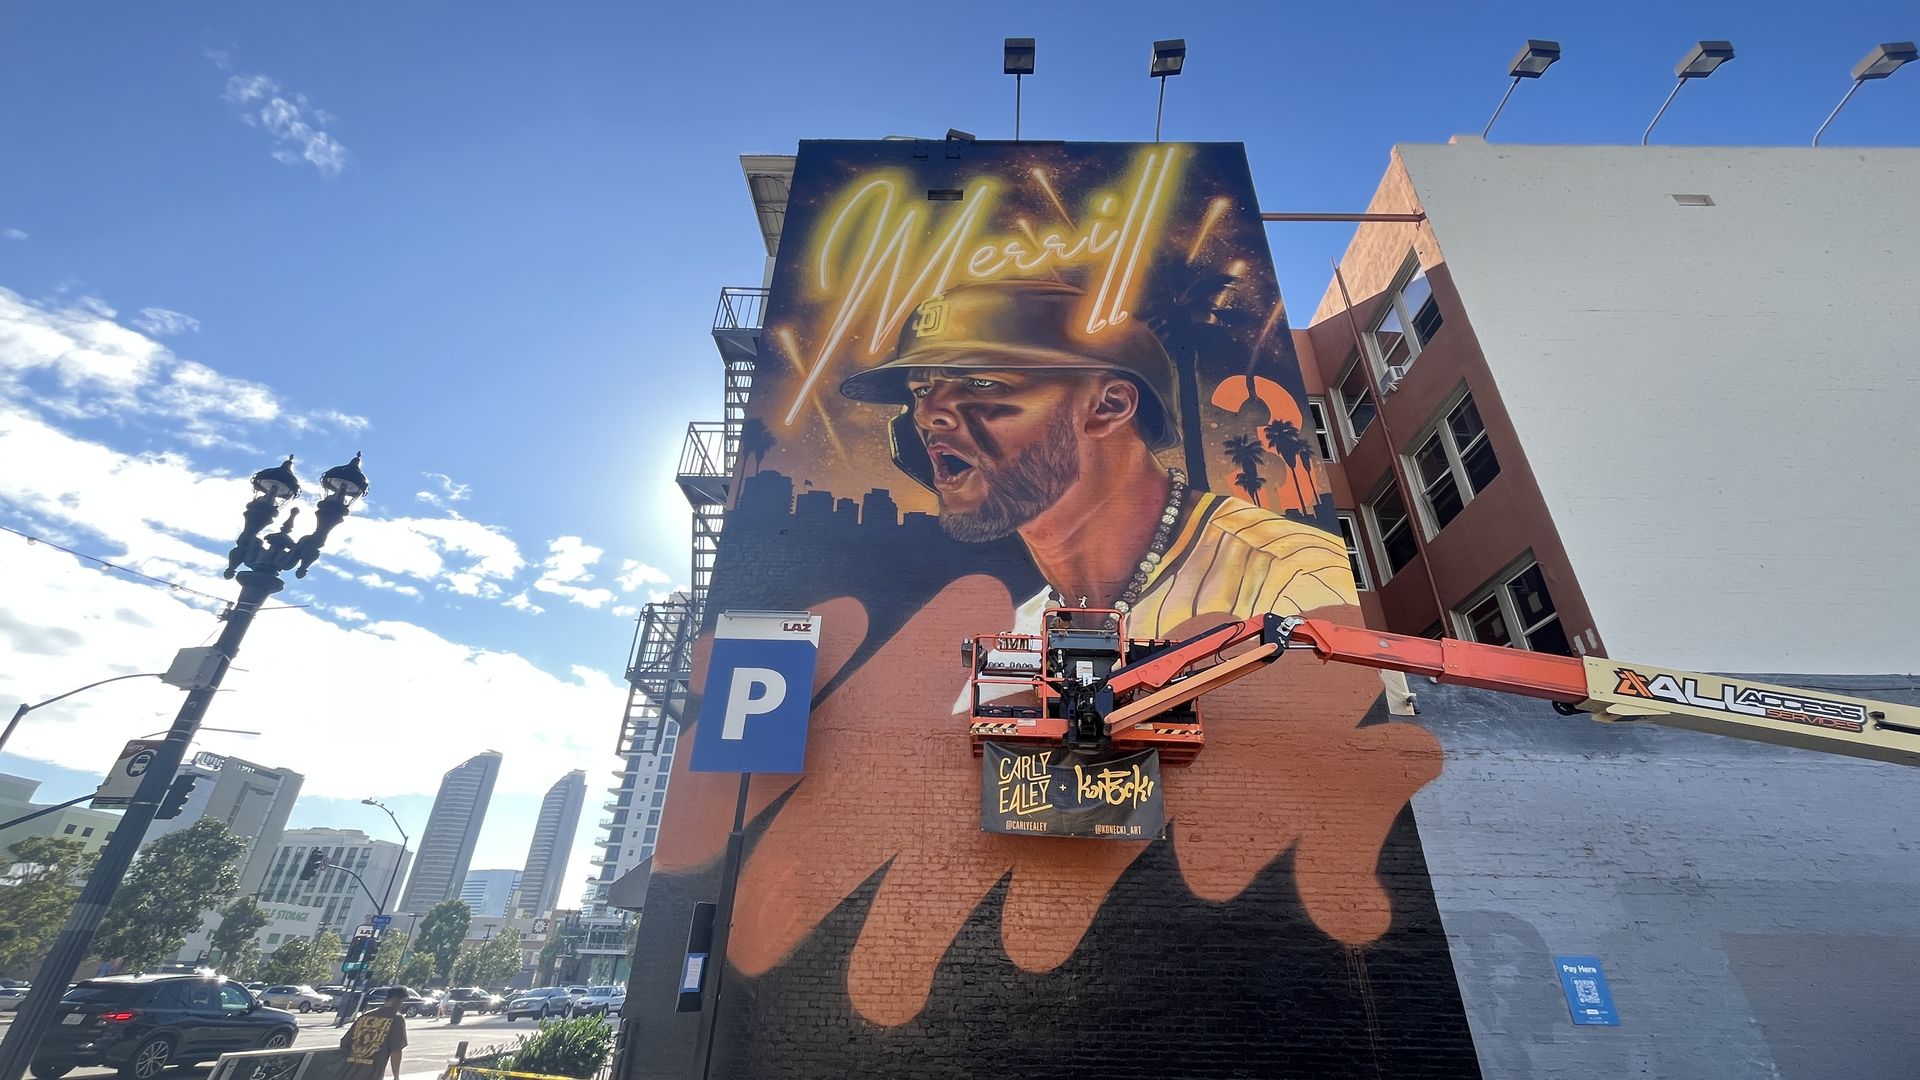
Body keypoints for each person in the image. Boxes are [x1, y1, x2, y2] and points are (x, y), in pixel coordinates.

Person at [839, 279, 1354, 655]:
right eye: (922, 391)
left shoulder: (1295, 584)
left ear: (1109, 406)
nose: (927, 414)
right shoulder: (1029, 625)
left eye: (981, 383)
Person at [337, 987, 408, 1080]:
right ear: (397, 1000)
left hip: (349, 1071)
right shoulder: (397, 1019)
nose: (402, 1005)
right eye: (403, 1001)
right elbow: (396, 1051)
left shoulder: (365, 1016)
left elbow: (344, 1043)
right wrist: (396, 1077)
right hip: (372, 1073)